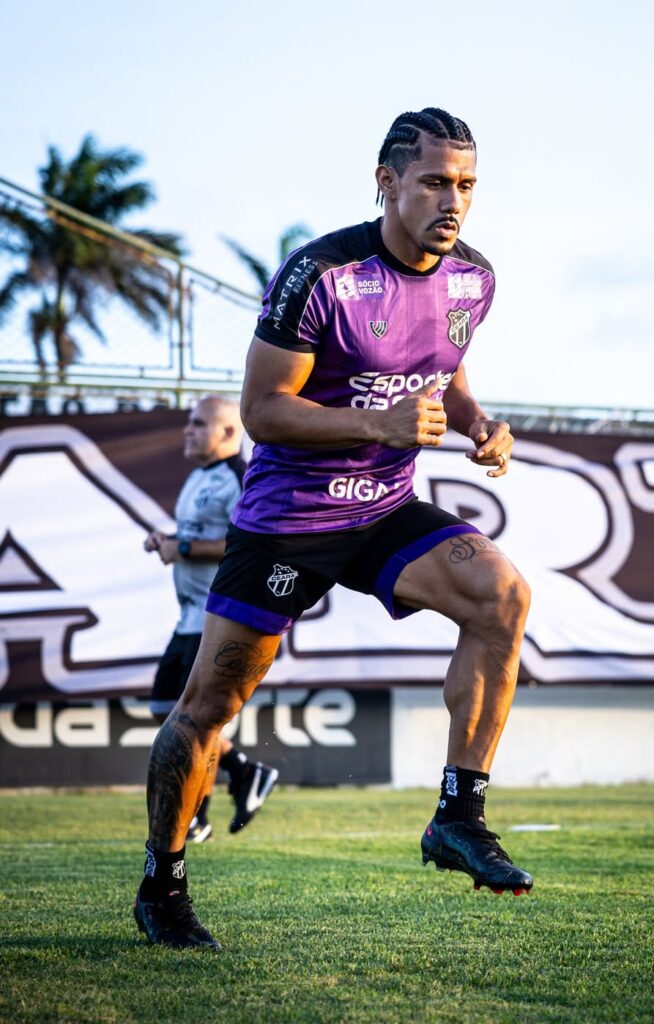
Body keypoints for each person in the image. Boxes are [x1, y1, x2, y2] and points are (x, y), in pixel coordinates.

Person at [134, 107, 533, 951]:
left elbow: (446, 373)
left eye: (465, 185)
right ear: (385, 182)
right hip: (289, 523)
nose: (451, 200)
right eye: (432, 181)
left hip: (382, 512)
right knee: (208, 705)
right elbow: (261, 413)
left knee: (501, 596)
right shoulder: (318, 274)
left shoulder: (474, 279)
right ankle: (162, 884)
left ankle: (458, 815)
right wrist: (376, 425)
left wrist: (477, 423)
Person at [143, 395, 278, 844]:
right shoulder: (197, 478)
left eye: (198, 424)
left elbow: (248, 541)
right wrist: (170, 539)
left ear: (227, 432)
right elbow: (201, 536)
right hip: (188, 618)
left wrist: (181, 549)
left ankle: (196, 816)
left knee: (197, 721)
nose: (187, 430)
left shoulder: (239, 477)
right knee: (166, 710)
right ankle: (244, 772)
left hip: (218, 619)